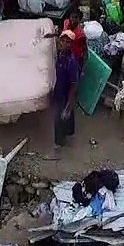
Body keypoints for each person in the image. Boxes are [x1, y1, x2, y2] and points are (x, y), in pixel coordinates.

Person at [46, 30, 81, 160]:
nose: (64, 44)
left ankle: (58, 149)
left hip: (65, 95)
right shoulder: (60, 54)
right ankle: (68, 136)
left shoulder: (71, 62)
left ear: (71, 45)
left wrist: (68, 106)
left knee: (58, 120)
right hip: (59, 90)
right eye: (63, 41)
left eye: (68, 42)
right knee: (67, 118)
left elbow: (74, 85)